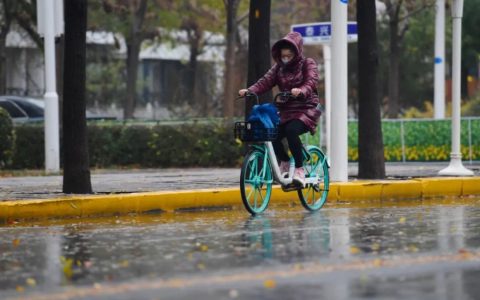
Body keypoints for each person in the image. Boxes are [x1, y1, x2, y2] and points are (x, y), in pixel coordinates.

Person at [239, 31, 321, 187]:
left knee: (291, 130)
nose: (286, 59)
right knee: (272, 132)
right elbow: (265, 82)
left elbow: (311, 81)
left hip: (306, 108)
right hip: (286, 110)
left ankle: (299, 169)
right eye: (283, 56)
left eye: (289, 56)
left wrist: (301, 90)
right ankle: (283, 162)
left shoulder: (307, 63)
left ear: (297, 53)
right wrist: (250, 90)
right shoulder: (278, 68)